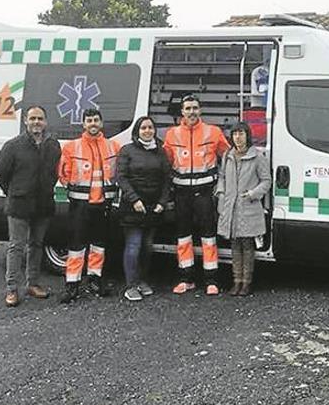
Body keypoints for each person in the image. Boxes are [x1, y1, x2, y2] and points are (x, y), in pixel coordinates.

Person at [0, 106, 61, 307]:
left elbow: (55, 172)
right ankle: (12, 289)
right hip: (19, 204)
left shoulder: (53, 145)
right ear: (25, 121)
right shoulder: (13, 146)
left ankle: (33, 283)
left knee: (37, 245)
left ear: (46, 122)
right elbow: (0, 174)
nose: (36, 122)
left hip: (43, 204)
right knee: (16, 246)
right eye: (32, 118)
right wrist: (14, 192)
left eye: (40, 118)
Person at [163, 94, 230, 295]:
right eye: (188, 108)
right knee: (183, 237)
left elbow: (227, 158)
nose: (191, 111)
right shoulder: (171, 134)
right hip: (181, 192)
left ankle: (212, 280)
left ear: (200, 110)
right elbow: (165, 162)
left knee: (208, 237)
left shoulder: (213, 132)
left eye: (195, 108)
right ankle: (186, 278)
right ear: (182, 112)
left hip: (204, 192)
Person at [58, 108, 121, 303]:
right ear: (83, 124)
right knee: (76, 246)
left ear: (101, 124)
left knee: (99, 245)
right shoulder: (71, 147)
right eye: (89, 121)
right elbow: (62, 174)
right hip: (80, 205)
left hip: (103, 205)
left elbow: (118, 174)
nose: (93, 124)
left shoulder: (114, 147)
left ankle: (95, 280)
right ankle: (72, 284)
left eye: (96, 120)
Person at [116, 116, 172, 302]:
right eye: (143, 128)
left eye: (150, 127)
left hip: (153, 208)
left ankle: (142, 281)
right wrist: (134, 200)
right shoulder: (127, 151)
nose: (147, 131)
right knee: (133, 246)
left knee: (147, 247)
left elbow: (166, 180)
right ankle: (131, 285)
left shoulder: (161, 152)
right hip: (133, 207)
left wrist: (162, 203)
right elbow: (121, 178)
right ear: (137, 131)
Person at [216, 122, 272, 296]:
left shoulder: (258, 157)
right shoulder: (228, 155)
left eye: (241, 134)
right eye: (235, 134)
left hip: (248, 206)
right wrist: (221, 194)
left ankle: (246, 282)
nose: (238, 137)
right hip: (230, 207)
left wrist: (253, 193)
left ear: (247, 135)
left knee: (247, 246)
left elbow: (266, 181)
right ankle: (236, 281)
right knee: (234, 244)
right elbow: (222, 177)